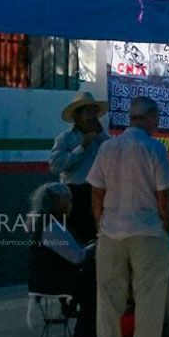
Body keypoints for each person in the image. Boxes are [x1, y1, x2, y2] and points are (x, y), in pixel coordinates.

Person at [87, 96, 169, 337]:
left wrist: (100, 222)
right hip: (148, 230)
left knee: (108, 296)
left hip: (111, 231)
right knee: (149, 296)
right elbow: (164, 195)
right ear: (150, 117)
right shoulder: (155, 149)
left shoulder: (108, 148)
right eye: (157, 118)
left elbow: (96, 191)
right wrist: (166, 225)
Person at [26, 182, 97, 337]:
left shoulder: (44, 222)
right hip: (54, 280)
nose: (70, 203)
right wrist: (96, 246)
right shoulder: (51, 227)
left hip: (48, 277)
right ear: (57, 202)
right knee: (96, 288)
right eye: (67, 199)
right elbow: (77, 256)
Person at [49, 92, 109, 245]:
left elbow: (116, 156)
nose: (93, 115)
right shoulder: (65, 138)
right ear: (78, 116)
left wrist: (101, 134)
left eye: (94, 111)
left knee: (98, 238)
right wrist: (81, 148)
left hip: (98, 194)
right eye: (88, 111)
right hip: (73, 195)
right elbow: (55, 165)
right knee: (75, 237)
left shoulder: (102, 139)